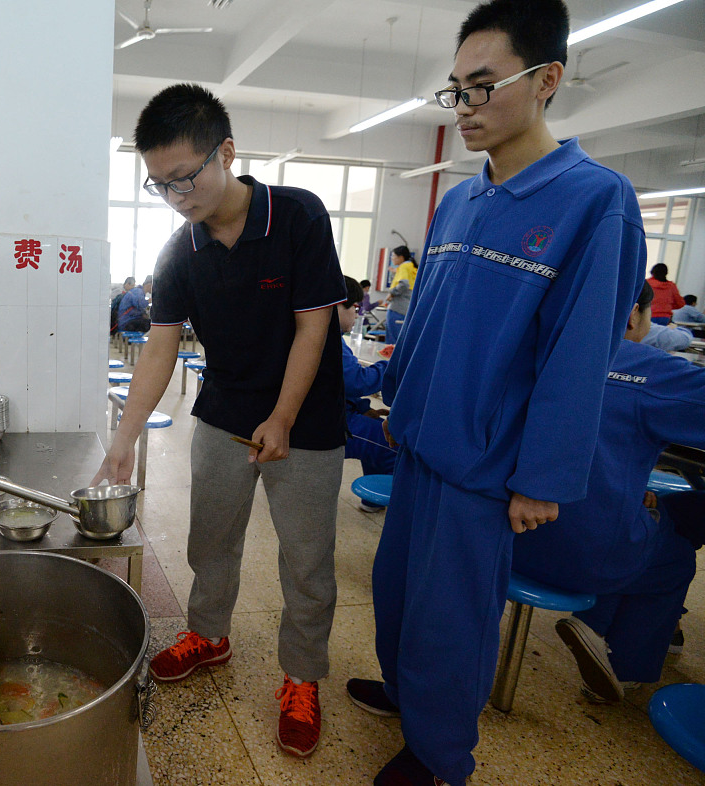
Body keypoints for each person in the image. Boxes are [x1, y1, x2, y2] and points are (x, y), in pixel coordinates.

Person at [345, 2, 646, 784]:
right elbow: (426, 325)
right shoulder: (460, 200)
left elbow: (582, 354)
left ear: (547, 79)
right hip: (420, 443)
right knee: (399, 591)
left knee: (453, 618)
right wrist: (392, 398)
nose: (466, 108)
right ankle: (409, 695)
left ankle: (441, 756)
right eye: (457, 91)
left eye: (483, 87)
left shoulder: (593, 200)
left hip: (486, 465)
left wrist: (543, 479)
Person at [93, 83, 346, 760]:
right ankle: (209, 633)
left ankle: (301, 677)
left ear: (225, 152)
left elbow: (313, 326)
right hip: (224, 415)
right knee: (212, 541)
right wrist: (124, 437)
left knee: (306, 560)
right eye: (160, 185)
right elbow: (160, 346)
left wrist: (284, 416)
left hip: (308, 421)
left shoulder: (297, 216)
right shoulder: (181, 252)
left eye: (185, 176)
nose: (178, 196)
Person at [512, 282, 705, 704]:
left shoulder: (527, 346)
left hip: (499, 539)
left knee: (639, 518)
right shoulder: (648, 368)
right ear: (634, 314)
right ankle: (624, 664)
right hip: (578, 552)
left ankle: (596, 619)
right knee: (673, 555)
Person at [337, 277, 397, 497]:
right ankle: (379, 501)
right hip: (329, 423)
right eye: (354, 307)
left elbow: (338, 386)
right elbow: (358, 381)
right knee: (391, 443)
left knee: (379, 427)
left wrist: (362, 408)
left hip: (335, 412)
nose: (357, 314)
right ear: (336, 304)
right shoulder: (328, 338)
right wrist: (394, 365)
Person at [381, 245, 415, 344]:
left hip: (397, 308)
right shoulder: (412, 266)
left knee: (392, 341)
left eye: (393, 256)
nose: (392, 259)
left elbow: (404, 284)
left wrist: (391, 293)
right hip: (406, 307)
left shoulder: (403, 266)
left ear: (401, 257)